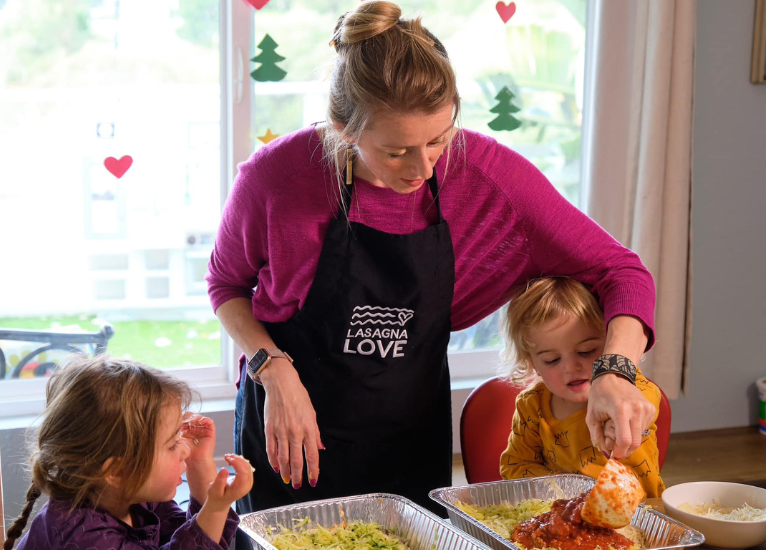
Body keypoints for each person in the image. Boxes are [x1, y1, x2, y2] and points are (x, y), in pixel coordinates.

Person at [207, 0, 656, 523]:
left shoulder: (490, 178)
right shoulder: (276, 178)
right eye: (397, 151)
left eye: (439, 139)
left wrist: (616, 370)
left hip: (407, 437)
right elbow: (225, 285)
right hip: (289, 434)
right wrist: (272, 369)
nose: (422, 167)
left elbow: (621, 270)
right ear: (343, 127)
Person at [2, 354, 253, 550]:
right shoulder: (82, 537)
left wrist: (200, 467)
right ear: (117, 470)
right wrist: (217, 507)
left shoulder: (132, 495)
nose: (185, 450)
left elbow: (185, 536)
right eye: (172, 444)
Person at [497, 278, 665, 497]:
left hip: (640, 514)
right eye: (551, 360)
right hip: (562, 515)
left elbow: (645, 402)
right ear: (532, 364)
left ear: (610, 345)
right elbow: (515, 466)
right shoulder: (532, 405)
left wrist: (623, 419)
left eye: (586, 351)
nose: (571, 368)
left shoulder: (631, 390)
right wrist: (563, 491)